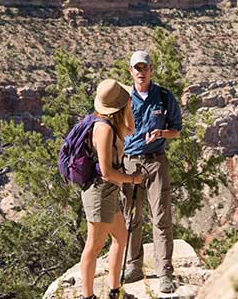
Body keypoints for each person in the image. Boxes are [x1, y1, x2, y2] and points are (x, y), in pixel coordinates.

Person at [121, 51, 182, 293]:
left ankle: (165, 272)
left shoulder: (165, 97)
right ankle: (133, 266)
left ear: (151, 69)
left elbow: (176, 130)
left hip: (157, 163)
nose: (140, 72)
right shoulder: (124, 99)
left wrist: (162, 134)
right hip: (130, 163)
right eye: (136, 68)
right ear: (131, 71)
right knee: (131, 218)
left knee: (161, 218)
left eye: (144, 67)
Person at [80, 79, 144, 299]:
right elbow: (107, 172)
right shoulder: (104, 130)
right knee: (94, 245)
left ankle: (114, 291)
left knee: (120, 237)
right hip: (99, 192)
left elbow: (130, 129)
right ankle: (88, 296)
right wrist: (132, 179)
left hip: (108, 192)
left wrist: (126, 106)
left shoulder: (112, 125)